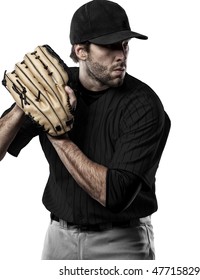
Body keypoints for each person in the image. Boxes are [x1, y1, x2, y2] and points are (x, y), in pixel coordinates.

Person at [0, 0, 170, 260]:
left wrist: (58, 135)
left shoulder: (143, 105)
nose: (121, 55)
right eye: (110, 46)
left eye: (125, 45)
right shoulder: (51, 89)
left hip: (120, 241)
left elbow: (114, 195)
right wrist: (23, 107)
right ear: (81, 51)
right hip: (58, 237)